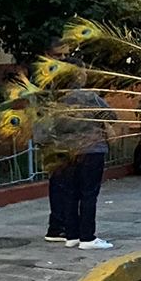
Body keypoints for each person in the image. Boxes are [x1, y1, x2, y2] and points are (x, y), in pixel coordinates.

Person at [44, 82, 114, 250]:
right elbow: (111, 116)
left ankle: (72, 235)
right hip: (91, 149)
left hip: (65, 150)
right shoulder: (89, 97)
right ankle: (87, 237)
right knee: (88, 194)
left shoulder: (56, 101)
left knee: (70, 194)